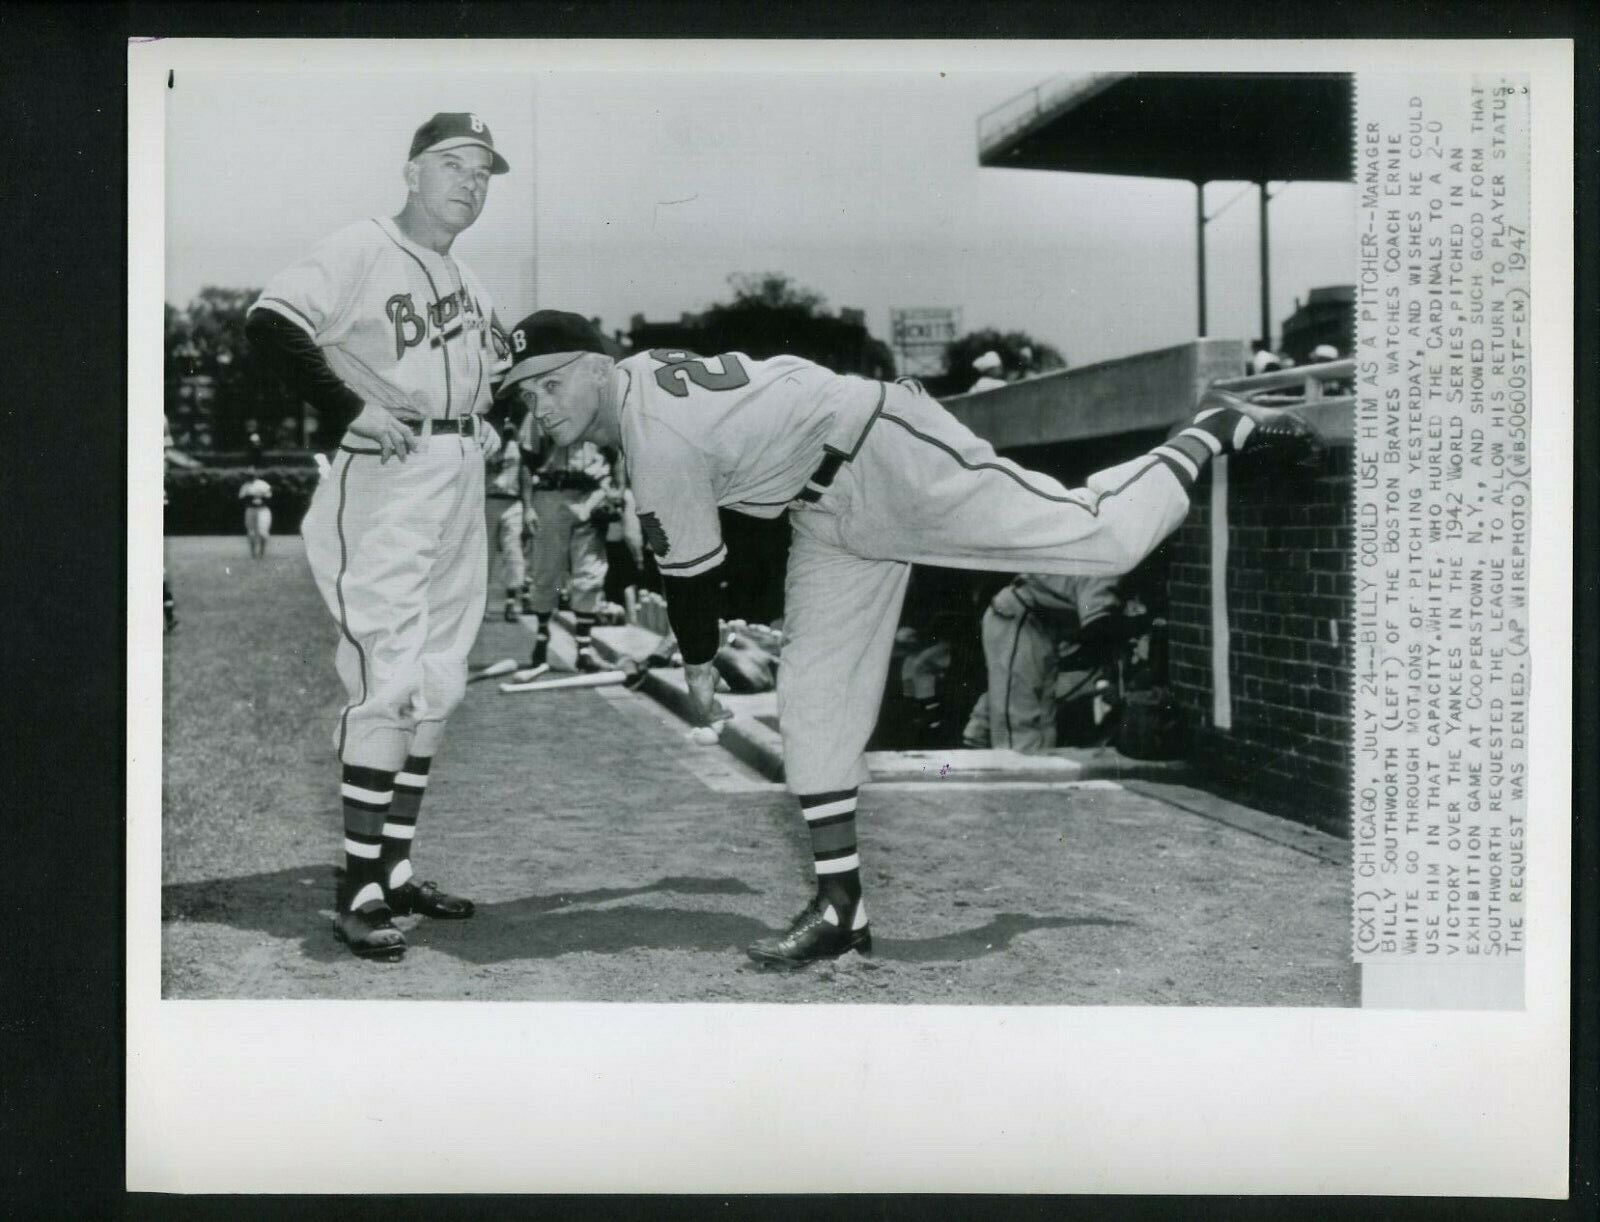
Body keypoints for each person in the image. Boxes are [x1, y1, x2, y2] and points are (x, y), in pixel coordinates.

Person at [494, 310, 1322, 968]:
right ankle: (840, 906)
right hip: (828, 507)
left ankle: (1211, 427)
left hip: (883, 449)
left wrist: (701, 666)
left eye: (549, 384)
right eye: (527, 395)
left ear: (597, 367)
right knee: (813, 701)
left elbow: (691, 579)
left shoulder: (652, 432)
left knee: (1095, 539)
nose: (539, 406)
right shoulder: (642, 387)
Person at [244, 111, 512, 961]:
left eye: (482, 171)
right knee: (387, 675)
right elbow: (271, 322)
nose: (469, 182)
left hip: (457, 472)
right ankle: (358, 887)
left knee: (440, 680)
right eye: (452, 164)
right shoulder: (360, 247)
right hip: (390, 481)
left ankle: (394, 870)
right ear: (410, 172)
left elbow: (488, 373)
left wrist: (485, 418)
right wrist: (348, 408)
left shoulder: (470, 280)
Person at [505, 333, 613, 677]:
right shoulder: (540, 404)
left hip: (591, 490)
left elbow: (618, 452)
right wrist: (527, 506)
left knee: (590, 572)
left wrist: (614, 492)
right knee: (546, 573)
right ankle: (541, 642)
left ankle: (583, 648)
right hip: (551, 491)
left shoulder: (600, 402)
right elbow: (527, 459)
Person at [961, 574, 1121, 753]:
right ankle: (1013, 772)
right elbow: (1097, 625)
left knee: (1042, 722)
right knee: (1020, 728)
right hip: (1020, 617)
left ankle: (979, 743)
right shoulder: (1108, 567)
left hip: (1043, 626)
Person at [485, 419, 527, 621]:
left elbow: (526, 476)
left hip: (512, 501)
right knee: (485, 555)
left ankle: (512, 601)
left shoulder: (518, 447)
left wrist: (528, 507)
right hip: (488, 500)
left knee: (514, 553)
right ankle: (481, 603)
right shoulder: (487, 444)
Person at [238, 469, 274, 559]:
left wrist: (260, 496)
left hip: (263, 510)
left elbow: (269, 496)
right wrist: (251, 498)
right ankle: (253, 554)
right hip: (250, 510)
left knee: (263, 533)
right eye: (248, 475)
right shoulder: (245, 486)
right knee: (251, 533)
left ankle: (261, 553)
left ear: (255, 475)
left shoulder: (263, 484)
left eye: (251, 474)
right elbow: (241, 498)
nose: (250, 476)